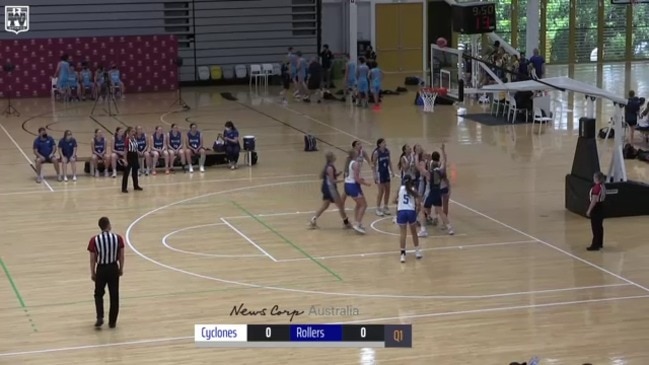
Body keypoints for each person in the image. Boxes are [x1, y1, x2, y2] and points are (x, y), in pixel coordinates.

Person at [87, 216, 124, 328]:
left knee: (98, 294)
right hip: (113, 268)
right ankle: (112, 322)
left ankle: (100, 317)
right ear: (108, 225)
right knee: (114, 295)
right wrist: (121, 268)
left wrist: (93, 272)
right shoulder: (117, 238)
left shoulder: (94, 240)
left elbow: (93, 258)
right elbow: (121, 256)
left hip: (101, 269)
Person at [419, 144, 454, 236]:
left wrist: (418, 156)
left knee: (422, 211)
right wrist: (443, 151)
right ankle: (450, 228)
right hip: (437, 193)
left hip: (430, 194)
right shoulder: (440, 171)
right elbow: (444, 161)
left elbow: (420, 168)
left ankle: (423, 230)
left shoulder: (428, 173)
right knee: (440, 211)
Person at [309, 151, 351, 229]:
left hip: (326, 188)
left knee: (325, 206)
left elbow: (328, 177)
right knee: (340, 205)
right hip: (330, 189)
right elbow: (332, 181)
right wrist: (343, 180)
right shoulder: (330, 167)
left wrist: (337, 174)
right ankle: (346, 223)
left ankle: (313, 220)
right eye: (334, 155)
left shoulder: (329, 166)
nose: (335, 156)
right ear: (331, 157)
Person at [344, 149, 371, 234]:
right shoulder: (356, 164)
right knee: (364, 205)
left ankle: (357, 222)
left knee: (359, 204)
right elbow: (356, 178)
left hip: (349, 184)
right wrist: (365, 183)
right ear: (355, 154)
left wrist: (360, 179)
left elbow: (354, 176)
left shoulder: (351, 162)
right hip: (353, 186)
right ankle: (357, 224)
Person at [396, 175, 422, 263]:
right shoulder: (414, 189)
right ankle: (417, 252)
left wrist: (399, 201)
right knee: (414, 233)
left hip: (402, 211)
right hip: (411, 211)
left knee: (403, 234)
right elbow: (419, 203)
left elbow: (394, 200)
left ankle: (402, 255)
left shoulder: (400, 189)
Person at [372, 138, 395, 217]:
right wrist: (374, 175)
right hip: (379, 173)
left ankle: (385, 206)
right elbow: (374, 165)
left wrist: (392, 171)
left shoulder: (387, 151)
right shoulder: (376, 153)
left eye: (385, 142)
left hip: (386, 172)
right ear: (379, 144)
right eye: (383, 142)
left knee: (388, 190)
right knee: (381, 191)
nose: (385, 143)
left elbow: (389, 162)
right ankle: (378, 208)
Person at [586, 171, 606, 251]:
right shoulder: (603, 186)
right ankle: (600, 243)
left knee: (595, 227)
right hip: (601, 206)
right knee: (600, 226)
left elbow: (594, 200)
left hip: (596, 208)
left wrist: (589, 210)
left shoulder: (597, 187)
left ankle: (595, 245)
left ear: (596, 178)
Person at [121, 127, 143, 193]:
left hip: (135, 156)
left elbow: (135, 148)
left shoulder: (134, 139)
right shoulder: (127, 140)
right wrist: (125, 160)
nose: (134, 133)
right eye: (132, 131)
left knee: (135, 172)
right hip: (129, 156)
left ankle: (136, 185)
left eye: (134, 131)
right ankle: (124, 188)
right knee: (126, 173)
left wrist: (138, 152)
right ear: (129, 132)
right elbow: (125, 151)